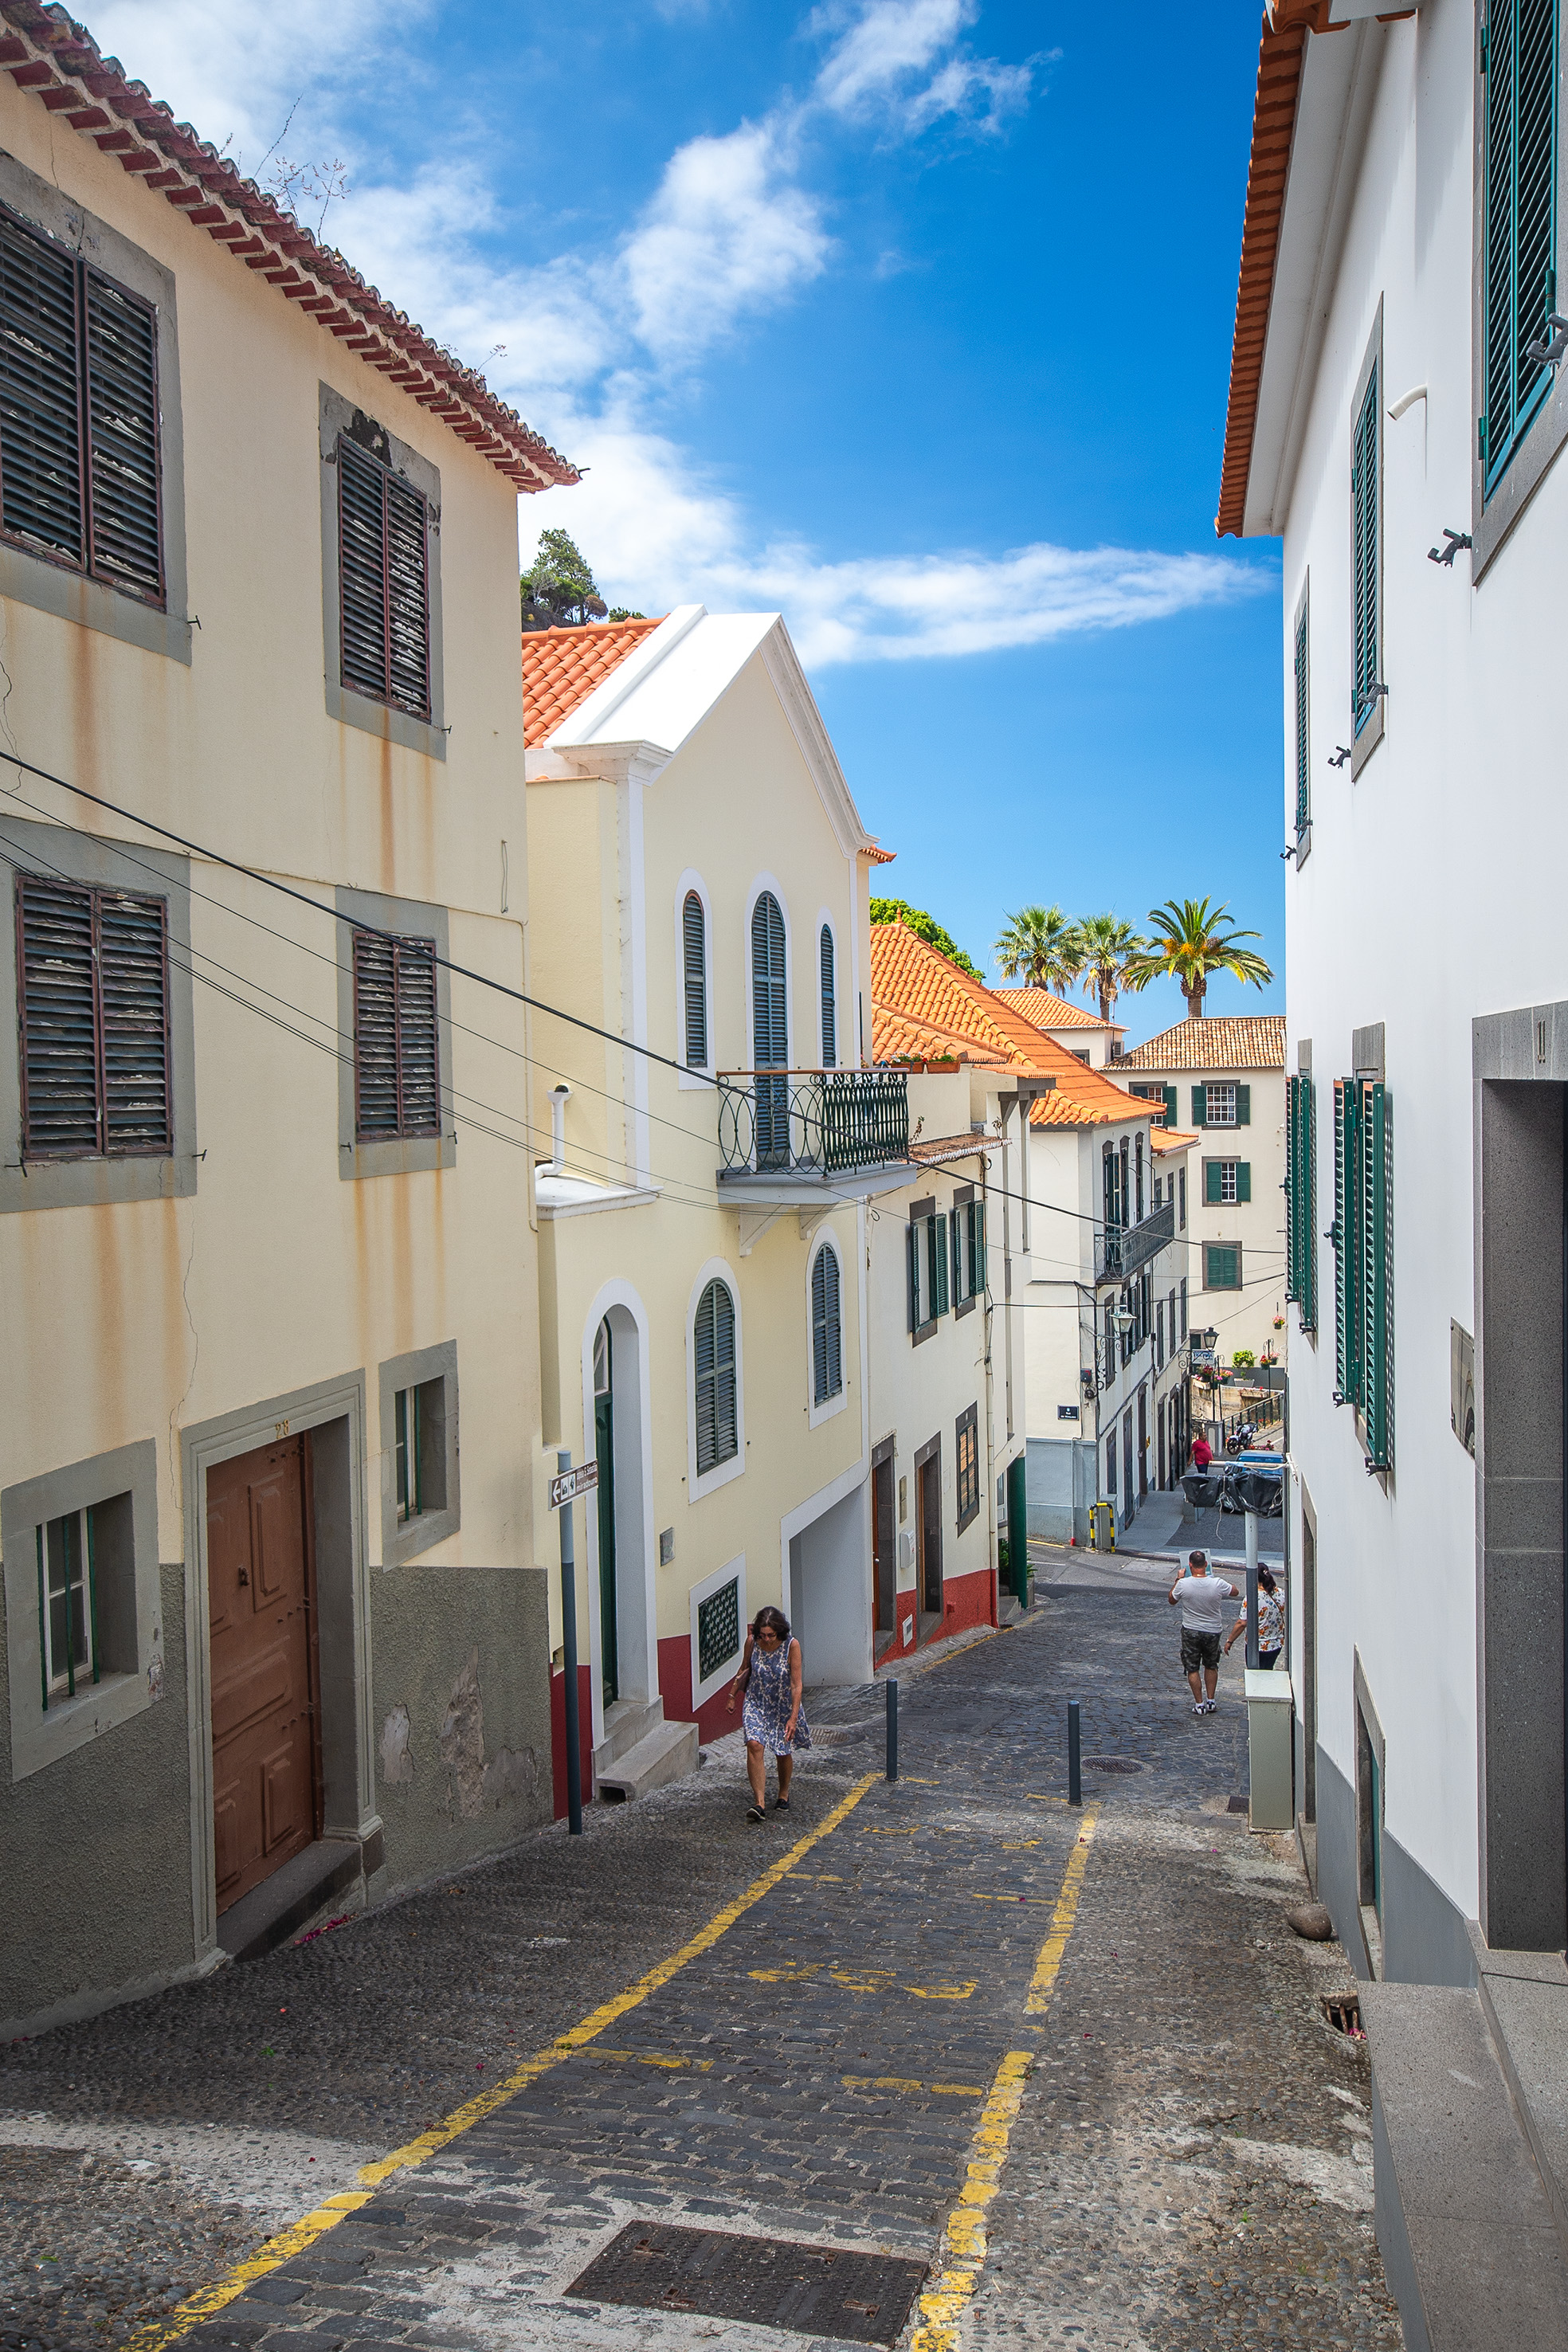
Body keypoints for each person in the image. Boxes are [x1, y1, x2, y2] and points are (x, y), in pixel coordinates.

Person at [726, 1605, 811, 1821]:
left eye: (771, 1635)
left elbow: (796, 1684)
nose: (767, 1639)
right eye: (763, 1635)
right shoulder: (752, 1642)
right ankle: (759, 1803)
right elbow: (744, 1668)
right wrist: (732, 1694)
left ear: (779, 1631)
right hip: (756, 1702)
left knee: (783, 1750)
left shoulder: (792, 1646)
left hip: (783, 1705)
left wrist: (793, 1718)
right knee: (754, 1745)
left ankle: (783, 1794)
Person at [1167, 1548, 1240, 1715]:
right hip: (1213, 1631)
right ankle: (1211, 1700)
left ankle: (1199, 1704)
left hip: (1191, 1630)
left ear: (1190, 1565)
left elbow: (1171, 1600)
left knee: (1192, 1668)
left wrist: (1178, 1578)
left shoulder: (1183, 1584)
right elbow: (1235, 1591)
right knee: (1211, 1664)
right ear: (1206, 1564)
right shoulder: (1217, 1583)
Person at [1224, 1564, 1285, 1670]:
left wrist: (1230, 1641)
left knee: (1255, 1674)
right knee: (1268, 1670)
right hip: (1276, 1644)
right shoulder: (1281, 1593)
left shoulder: (1252, 1598)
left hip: (1257, 1645)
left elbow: (1242, 1623)